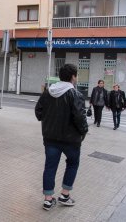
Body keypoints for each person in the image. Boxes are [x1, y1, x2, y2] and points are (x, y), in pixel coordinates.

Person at [35, 64, 88, 211]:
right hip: (71, 140)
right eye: (76, 76)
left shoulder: (48, 92)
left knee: (50, 167)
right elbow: (80, 118)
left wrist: (49, 121)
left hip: (50, 138)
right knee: (72, 164)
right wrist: (84, 132)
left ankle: (48, 200)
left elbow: (38, 112)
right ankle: (64, 195)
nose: (76, 78)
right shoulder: (75, 95)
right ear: (73, 77)